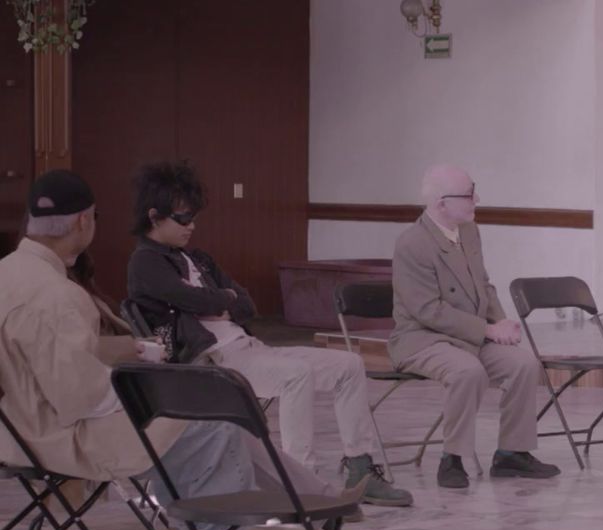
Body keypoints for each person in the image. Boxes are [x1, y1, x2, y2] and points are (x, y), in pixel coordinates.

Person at [0, 170, 332, 530]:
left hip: (18, 425)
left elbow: (41, 357)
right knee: (212, 425)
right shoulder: (58, 295)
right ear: (84, 222)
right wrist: (151, 387)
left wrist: (126, 351)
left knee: (192, 418)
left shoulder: (9, 272)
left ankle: (274, 520)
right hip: (59, 435)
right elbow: (82, 398)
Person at [125, 162, 412, 508]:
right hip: (211, 361)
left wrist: (222, 301)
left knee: (348, 364)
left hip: (249, 348)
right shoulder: (145, 263)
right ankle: (300, 488)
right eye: (183, 219)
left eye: (194, 217)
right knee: (295, 376)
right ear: (155, 216)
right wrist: (220, 299)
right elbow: (190, 298)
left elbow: (247, 303)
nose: (192, 226)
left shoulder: (198, 259)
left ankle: (361, 468)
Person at [390, 164, 557, 489]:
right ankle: (451, 458)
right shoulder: (412, 244)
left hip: (469, 336)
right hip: (423, 339)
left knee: (523, 363)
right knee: (468, 371)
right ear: (441, 204)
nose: (476, 199)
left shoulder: (469, 231)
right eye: (468, 195)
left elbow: (483, 285)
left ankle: (512, 453)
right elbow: (426, 310)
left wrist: (501, 322)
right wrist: (486, 330)